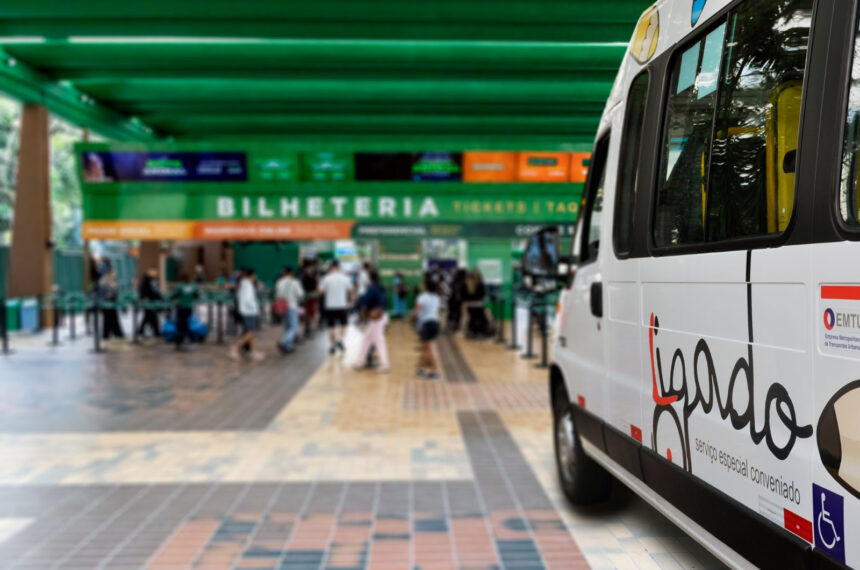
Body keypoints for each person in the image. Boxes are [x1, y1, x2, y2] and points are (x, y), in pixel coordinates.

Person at [355, 270, 389, 372]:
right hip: (381, 316)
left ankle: (385, 364)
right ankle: (360, 362)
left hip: (376, 319)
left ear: (370, 278)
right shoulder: (381, 288)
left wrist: (362, 317)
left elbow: (365, 303)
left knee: (379, 341)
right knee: (367, 340)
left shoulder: (371, 289)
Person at [319, 260, 353, 355]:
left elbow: (321, 292)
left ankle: (332, 345)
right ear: (339, 267)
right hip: (342, 306)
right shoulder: (345, 278)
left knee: (331, 327)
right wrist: (351, 300)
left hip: (330, 306)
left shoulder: (326, 278)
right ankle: (341, 340)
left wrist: (329, 292)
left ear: (331, 267)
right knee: (344, 324)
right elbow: (350, 290)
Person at [229, 269, 264, 361]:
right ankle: (235, 348)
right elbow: (248, 299)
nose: (255, 277)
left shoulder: (243, 284)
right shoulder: (248, 285)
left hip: (245, 311)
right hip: (250, 312)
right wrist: (255, 308)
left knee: (250, 332)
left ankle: (253, 352)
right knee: (251, 333)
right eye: (254, 276)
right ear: (251, 276)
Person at [412, 276, 441, 379]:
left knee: (431, 347)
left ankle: (435, 371)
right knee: (426, 347)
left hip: (427, 324)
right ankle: (422, 369)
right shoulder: (436, 297)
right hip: (435, 323)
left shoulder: (422, 297)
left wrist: (410, 318)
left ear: (426, 286)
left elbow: (417, 311)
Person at [275, 266, 305, 354]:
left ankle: (288, 347)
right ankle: (283, 341)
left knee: (286, 327)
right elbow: (300, 295)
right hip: (292, 306)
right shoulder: (295, 282)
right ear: (292, 273)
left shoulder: (279, 282)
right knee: (294, 328)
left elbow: (277, 295)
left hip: (282, 307)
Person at [171, 273, 198, 351]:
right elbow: (196, 295)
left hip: (181, 307)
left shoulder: (180, 286)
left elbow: (174, 295)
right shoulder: (193, 286)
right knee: (186, 323)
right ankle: (189, 338)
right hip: (189, 308)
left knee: (180, 324)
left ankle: (179, 342)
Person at [98, 268, 124, 340]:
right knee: (107, 319)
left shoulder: (113, 282)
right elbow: (102, 293)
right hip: (106, 303)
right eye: (113, 273)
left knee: (114, 318)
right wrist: (110, 294)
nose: (115, 275)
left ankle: (117, 333)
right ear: (109, 274)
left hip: (113, 302)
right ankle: (106, 334)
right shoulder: (103, 282)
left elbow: (115, 292)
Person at [137, 268, 162, 337]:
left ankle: (141, 331)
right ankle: (156, 331)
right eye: (153, 272)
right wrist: (144, 298)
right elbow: (143, 291)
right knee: (151, 317)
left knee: (148, 317)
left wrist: (160, 298)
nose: (156, 273)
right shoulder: (146, 281)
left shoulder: (153, 281)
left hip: (153, 302)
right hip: (148, 302)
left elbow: (156, 292)